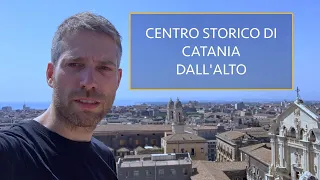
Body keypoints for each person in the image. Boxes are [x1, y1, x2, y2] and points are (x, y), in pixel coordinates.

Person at [0, 11, 122, 180]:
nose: (89, 82)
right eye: (75, 64)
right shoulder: (10, 154)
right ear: (50, 74)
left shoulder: (105, 158)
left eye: (104, 68)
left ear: (118, 79)